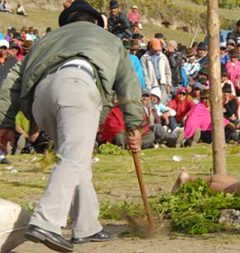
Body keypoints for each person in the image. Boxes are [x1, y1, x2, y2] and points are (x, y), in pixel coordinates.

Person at [0, 1, 143, 252]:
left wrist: (6, 121)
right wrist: (134, 126)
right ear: (95, 21)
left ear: (66, 22)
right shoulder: (107, 38)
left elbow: (11, 81)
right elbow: (128, 87)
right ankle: (46, 221)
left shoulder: (45, 40)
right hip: (77, 82)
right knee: (73, 158)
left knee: (76, 158)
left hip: (40, 99)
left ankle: (87, 226)